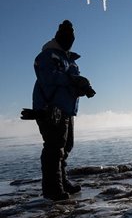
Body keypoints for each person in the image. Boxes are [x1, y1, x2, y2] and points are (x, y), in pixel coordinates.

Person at [25, 20, 96, 201]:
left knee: (66, 146)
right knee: (54, 148)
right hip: (50, 108)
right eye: (65, 36)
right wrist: (74, 81)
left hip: (67, 109)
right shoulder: (47, 55)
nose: (69, 40)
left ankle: (63, 182)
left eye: (71, 36)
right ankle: (52, 188)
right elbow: (47, 77)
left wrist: (83, 88)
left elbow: (69, 84)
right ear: (58, 37)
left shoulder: (70, 60)